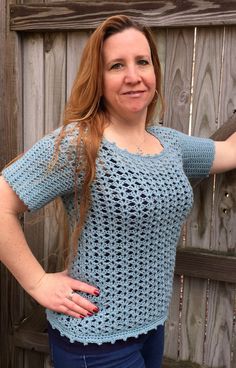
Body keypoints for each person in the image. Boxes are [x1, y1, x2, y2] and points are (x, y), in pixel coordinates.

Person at [0, 14, 236, 368]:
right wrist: (36, 282)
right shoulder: (79, 144)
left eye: (142, 62)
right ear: (98, 77)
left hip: (151, 328)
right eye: (116, 65)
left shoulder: (169, 143)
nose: (133, 76)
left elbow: (229, 152)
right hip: (94, 341)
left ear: (154, 70)